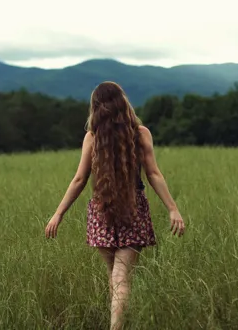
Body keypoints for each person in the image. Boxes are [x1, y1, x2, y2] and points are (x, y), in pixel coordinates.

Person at [45, 81, 185, 330]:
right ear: (123, 103)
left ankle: (116, 325)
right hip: (134, 208)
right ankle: (118, 325)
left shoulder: (92, 137)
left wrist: (58, 214)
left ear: (96, 107)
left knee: (116, 276)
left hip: (102, 212)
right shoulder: (141, 133)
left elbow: (79, 179)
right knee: (120, 277)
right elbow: (153, 174)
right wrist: (172, 208)